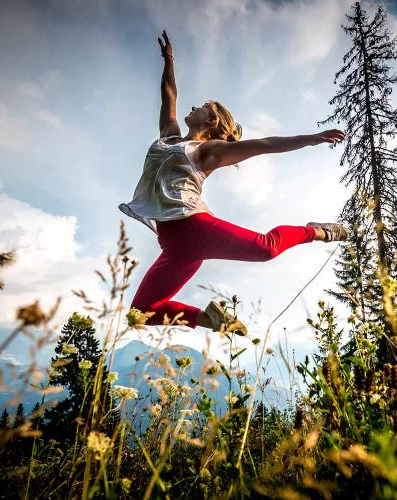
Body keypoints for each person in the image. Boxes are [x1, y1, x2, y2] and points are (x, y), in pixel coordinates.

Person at [120, 31, 348, 335]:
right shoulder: (169, 135)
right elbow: (169, 96)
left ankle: (319, 231)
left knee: (266, 249)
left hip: (193, 226)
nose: (193, 107)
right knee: (140, 314)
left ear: (211, 122)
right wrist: (169, 61)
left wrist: (310, 139)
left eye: (202, 106)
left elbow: (265, 143)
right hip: (173, 244)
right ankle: (213, 319)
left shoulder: (207, 152)